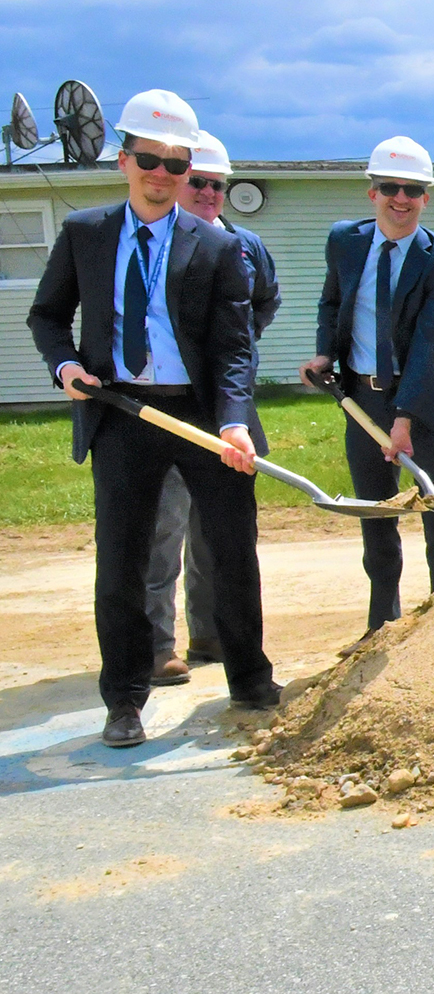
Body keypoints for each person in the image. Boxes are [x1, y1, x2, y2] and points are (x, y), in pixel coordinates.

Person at [27, 90, 280, 747]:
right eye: (149, 158)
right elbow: (48, 317)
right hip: (122, 412)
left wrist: (233, 422)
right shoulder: (85, 233)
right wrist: (66, 369)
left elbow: (233, 347)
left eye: (176, 163)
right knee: (123, 562)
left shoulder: (218, 248)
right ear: (123, 158)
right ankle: (125, 698)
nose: (162, 174)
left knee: (231, 553)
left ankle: (251, 681)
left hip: (203, 414)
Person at [300, 137, 434, 650]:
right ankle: (382, 627)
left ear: (428, 197)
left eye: (413, 190)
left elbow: (429, 344)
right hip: (361, 398)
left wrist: (404, 418)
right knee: (375, 515)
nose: (401, 199)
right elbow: (332, 302)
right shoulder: (345, 241)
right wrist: (324, 356)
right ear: (371, 192)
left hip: (428, 402)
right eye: (391, 188)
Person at [143, 130, 281, 683]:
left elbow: (264, 303)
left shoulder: (245, 246)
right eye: (197, 181)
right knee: (162, 527)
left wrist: (234, 356)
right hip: (168, 407)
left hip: (227, 407)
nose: (207, 192)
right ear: (177, 181)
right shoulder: (156, 243)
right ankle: (156, 647)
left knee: (219, 533)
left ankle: (213, 636)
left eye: (217, 185)